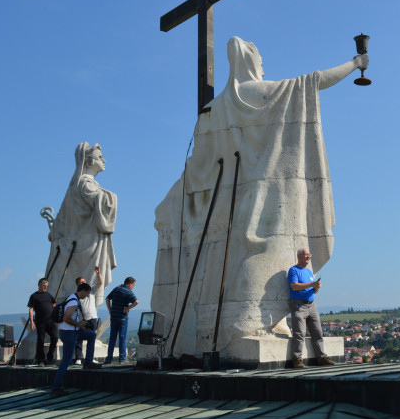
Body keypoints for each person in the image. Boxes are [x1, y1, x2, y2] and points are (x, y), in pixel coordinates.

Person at [149, 37, 368, 358]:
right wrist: (355, 63)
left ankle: (259, 322)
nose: (264, 66)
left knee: (248, 258)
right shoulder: (258, 92)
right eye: (261, 60)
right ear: (251, 61)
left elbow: (198, 165)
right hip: (267, 201)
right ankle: (248, 322)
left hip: (231, 206)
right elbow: (314, 82)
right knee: (269, 256)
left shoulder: (214, 108)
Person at [45, 142, 117, 308]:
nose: (104, 160)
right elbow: (100, 202)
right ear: (89, 162)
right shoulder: (85, 184)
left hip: (80, 243)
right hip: (88, 244)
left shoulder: (79, 184)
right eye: (100, 157)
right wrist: (110, 197)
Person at [50, 283, 101, 397]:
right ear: (83, 291)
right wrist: (79, 324)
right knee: (66, 361)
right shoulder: (73, 302)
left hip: (71, 332)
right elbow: (66, 318)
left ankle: (88, 361)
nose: (87, 296)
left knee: (91, 335)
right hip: (69, 333)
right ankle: (55, 388)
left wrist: (80, 327)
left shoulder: (71, 298)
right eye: (87, 293)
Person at [288, 248, 335, 368]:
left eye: (309, 255)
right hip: (298, 305)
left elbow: (314, 290)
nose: (309, 257)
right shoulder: (293, 270)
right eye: (306, 255)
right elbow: (294, 286)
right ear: (299, 256)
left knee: (317, 332)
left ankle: (322, 357)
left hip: (312, 305)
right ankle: (297, 359)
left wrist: (316, 287)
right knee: (299, 333)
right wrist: (312, 284)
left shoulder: (309, 272)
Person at [104, 277, 138, 364]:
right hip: (122, 317)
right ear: (129, 284)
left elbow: (107, 299)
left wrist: (110, 309)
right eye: (133, 285)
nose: (133, 287)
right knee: (122, 338)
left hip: (114, 316)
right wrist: (128, 307)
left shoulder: (116, 289)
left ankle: (109, 359)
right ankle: (122, 359)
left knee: (112, 338)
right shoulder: (128, 291)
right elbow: (136, 302)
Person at [73, 267, 103, 364]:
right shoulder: (76, 295)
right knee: (79, 339)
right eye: (81, 282)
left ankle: (90, 357)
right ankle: (78, 357)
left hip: (93, 317)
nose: (83, 283)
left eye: (84, 281)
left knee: (92, 337)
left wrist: (98, 273)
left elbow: (100, 283)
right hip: (82, 319)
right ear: (78, 284)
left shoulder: (91, 291)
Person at [27, 278, 57, 366]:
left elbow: (54, 304)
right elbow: (31, 309)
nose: (45, 287)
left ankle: (50, 356)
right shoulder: (34, 296)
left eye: (47, 286)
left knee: (55, 337)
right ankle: (41, 359)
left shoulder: (48, 295)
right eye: (44, 286)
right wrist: (31, 322)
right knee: (40, 340)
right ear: (39, 285)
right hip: (40, 322)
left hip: (51, 321)